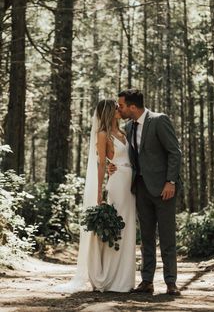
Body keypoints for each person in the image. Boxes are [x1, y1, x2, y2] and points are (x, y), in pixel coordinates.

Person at [53, 99, 136, 293]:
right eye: (115, 107)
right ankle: (108, 277)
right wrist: (99, 191)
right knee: (116, 229)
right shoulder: (103, 134)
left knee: (129, 229)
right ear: (108, 111)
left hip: (130, 184)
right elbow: (101, 163)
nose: (119, 109)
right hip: (117, 184)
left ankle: (124, 279)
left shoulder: (123, 132)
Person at [111, 89, 182, 295]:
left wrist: (170, 181)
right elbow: (124, 155)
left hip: (164, 189)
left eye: (122, 106)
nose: (119, 109)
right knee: (147, 237)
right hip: (140, 188)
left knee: (167, 237)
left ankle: (171, 282)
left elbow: (174, 152)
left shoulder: (159, 121)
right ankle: (147, 281)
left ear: (133, 107)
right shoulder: (128, 127)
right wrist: (112, 166)